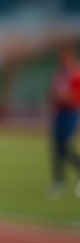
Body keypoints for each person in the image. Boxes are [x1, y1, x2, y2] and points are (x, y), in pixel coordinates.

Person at [48, 44, 80, 199]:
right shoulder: (59, 75)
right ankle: (58, 182)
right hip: (59, 114)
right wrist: (59, 96)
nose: (62, 59)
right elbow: (52, 95)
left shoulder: (75, 75)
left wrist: (63, 96)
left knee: (67, 149)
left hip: (71, 114)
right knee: (56, 149)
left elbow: (75, 98)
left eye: (65, 56)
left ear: (70, 57)